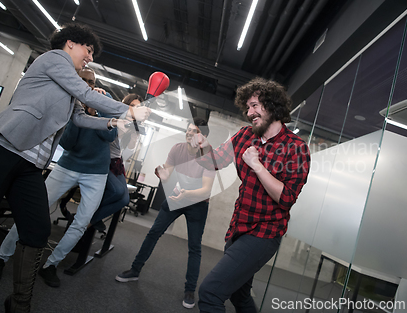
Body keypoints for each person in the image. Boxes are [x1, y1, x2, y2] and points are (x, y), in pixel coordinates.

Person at [0, 23, 150, 312]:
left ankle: (19, 303)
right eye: (89, 50)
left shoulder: (68, 83)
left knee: (36, 230)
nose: (90, 58)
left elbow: (80, 118)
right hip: (4, 148)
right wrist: (128, 110)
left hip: (31, 165)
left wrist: (111, 122)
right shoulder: (54, 60)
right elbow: (85, 95)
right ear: (70, 43)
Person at [0, 67, 132, 286]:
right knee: (30, 212)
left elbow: (110, 135)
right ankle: (0, 258)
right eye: (82, 80)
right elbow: (67, 142)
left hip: (97, 173)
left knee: (81, 223)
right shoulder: (67, 100)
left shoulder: (104, 100)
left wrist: (96, 112)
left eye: (90, 82)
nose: (87, 85)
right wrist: (83, 115)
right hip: (68, 166)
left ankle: (50, 264)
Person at [191, 78, 311, 312]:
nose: (249, 112)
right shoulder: (245, 135)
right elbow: (215, 161)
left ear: (272, 105)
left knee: (210, 293)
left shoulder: (296, 147)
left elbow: (286, 198)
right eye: (247, 108)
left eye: (255, 105)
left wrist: (257, 165)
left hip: (264, 233)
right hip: (238, 227)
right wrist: (202, 146)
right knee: (239, 296)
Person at [115, 118, 215, 309]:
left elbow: (206, 190)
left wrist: (187, 194)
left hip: (197, 203)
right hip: (176, 198)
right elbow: (168, 173)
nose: (189, 134)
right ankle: (135, 270)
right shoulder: (177, 149)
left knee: (194, 247)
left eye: (194, 132)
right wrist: (162, 173)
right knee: (153, 233)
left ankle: (189, 290)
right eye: (188, 130)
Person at [89, 93, 144, 229]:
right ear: (124, 105)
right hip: (103, 160)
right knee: (117, 191)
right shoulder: (114, 118)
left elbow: (127, 154)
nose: (133, 110)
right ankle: (88, 217)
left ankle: (91, 218)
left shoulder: (133, 127)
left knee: (124, 200)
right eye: (131, 106)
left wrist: (133, 136)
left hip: (117, 163)